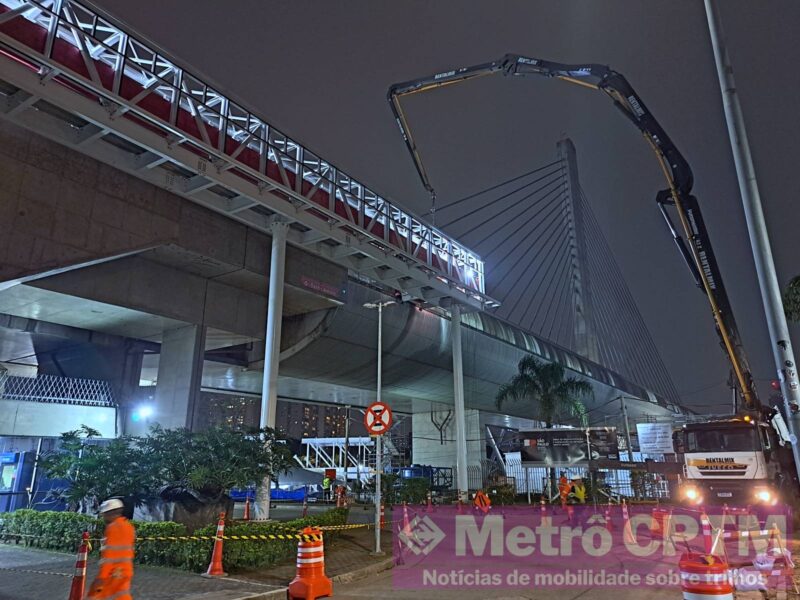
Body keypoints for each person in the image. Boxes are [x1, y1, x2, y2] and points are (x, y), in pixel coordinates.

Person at [87, 498, 135, 600]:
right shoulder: (128, 526)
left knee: (95, 595)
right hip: (126, 570)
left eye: (104, 514)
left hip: (113, 573)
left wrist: (102, 576)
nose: (103, 517)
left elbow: (109, 557)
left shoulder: (113, 528)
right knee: (122, 595)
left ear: (110, 513)